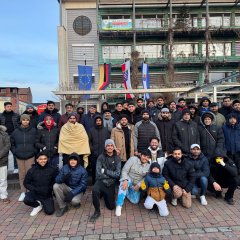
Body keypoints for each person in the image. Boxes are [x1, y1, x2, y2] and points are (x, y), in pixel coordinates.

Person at [90, 139, 121, 222]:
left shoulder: (117, 158)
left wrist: (106, 171)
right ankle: (97, 211)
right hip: (101, 181)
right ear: (105, 147)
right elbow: (98, 173)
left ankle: (105, 194)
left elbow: (117, 174)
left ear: (113, 147)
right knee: (95, 190)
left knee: (111, 207)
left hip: (111, 183)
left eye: (111, 145)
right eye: (108, 146)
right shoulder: (101, 157)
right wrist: (111, 175)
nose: (110, 147)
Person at [115, 150, 151, 217]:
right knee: (124, 185)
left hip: (135, 185)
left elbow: (146, 178)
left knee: (135, 201)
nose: (145, 158)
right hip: (128, 179)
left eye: (147, 157)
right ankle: (119, 205)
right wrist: (125, 180)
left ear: (149, 158)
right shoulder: (133, 159)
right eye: (144, 156)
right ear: (141, 155)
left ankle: (125, 192)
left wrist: (139, 184)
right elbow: (125, 170)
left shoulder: (149, 166)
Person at [10, 114, 37, 202]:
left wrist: (34, 152)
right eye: (24, 119)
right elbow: (12, 143)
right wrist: (15, 152)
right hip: (19, 156)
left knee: (30, 174)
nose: (25, 121)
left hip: (30, 156)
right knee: (22, 175)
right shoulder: (15, 131)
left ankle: (30, 191)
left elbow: (37, 142)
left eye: (27, 120)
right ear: (21, 120)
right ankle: (23, 192)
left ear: (29, 121)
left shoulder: (33, 131)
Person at [23, 152, 57, 216]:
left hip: (46, 195)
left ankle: (43, 203)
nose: (43, 161)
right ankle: (37, 205)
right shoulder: (32, 170)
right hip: (36, 193)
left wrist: (49, 189)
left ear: (47, 159)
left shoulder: (52, 169)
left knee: (49, 212)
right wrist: (34, 189)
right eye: (40, 159)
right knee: (26, 200)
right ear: (37, 160)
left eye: (45, 159)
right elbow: (26, 183)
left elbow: (55, 181)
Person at [88, 115, 110, 183]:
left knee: (103, 169)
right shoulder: (91, 130)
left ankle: (103, 182)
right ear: (95, 122)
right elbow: (89, 141)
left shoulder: (106, 130)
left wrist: (106, 151)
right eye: (97, 121)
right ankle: (95, 183)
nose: (98, 122)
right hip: (94, 154)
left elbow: (108, 141)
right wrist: (92, 150)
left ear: (102, 121)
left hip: (104, 154)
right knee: (94, 169)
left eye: (99, 120)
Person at [0, 101, 20, 172]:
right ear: (5, 107)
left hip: (14, 135)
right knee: (5, 153)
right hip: (4, 136)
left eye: (10, 106)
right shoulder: (1, 115)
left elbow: (19, 124)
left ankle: (16, 168)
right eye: (8, 106)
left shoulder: (16, 115)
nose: (9, 108)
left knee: (15, 151)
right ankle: (6, 168)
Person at [0, 125, 11, 203]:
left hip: (2, 160)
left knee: (3, 179)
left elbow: (7, 145)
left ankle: (4, 195)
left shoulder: (4, 134)